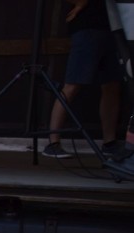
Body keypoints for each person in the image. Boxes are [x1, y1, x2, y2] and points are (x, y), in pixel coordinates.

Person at [43, 0, 122, 158]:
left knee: (112, 85)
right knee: (72, 85)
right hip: (87, 27)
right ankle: (53, 142)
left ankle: (109, 142)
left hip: (114, 26)